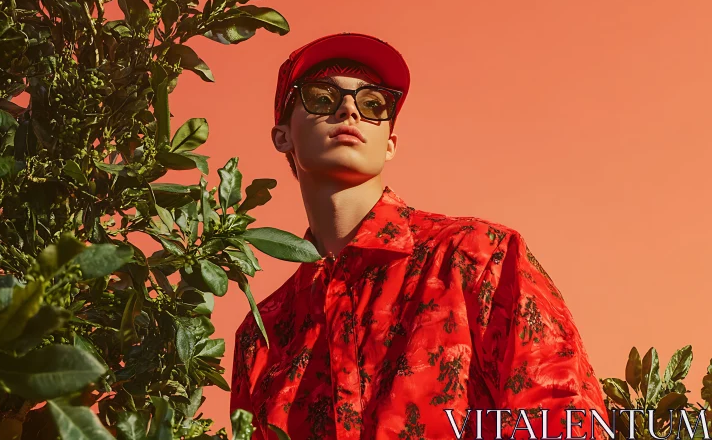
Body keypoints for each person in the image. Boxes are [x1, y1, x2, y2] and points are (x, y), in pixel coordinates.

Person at [230, 32, 610, 440]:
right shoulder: (263, 334)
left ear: (390, 144)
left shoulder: (476, 254)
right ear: (283, 136)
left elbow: (564, 418)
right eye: (322, 97)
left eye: (372, 104)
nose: (348, 109)